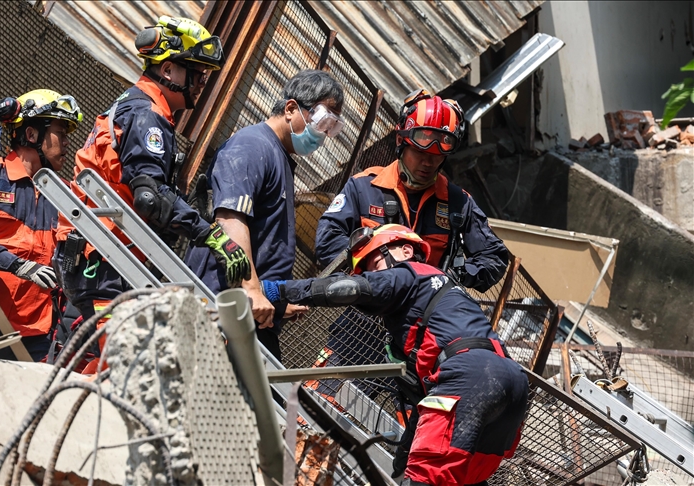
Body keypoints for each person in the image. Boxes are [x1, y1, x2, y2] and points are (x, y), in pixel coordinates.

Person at [53, 15, 250, 369]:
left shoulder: (138, 107)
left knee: (80, 364)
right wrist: (211, 235)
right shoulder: (147, 115)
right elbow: (149, 197)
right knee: (116, 371)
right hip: (106, 262)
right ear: (170, 70)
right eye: (197, 71)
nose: (203, 81)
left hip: (99, 256)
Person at [262, 225, 528, 486]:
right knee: (462, 479)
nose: (369, 274)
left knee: (427, 475)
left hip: (469, 375)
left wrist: (278, 291)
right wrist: (400, 469)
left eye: (372, 264)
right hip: (513, 382)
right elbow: (419, 420)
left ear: (405, 250)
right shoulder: (443, 301)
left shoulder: (409, 273)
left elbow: (347, 289)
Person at [308, 89, 510, 402]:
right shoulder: (365, 187)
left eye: (437, 155)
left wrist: (456, 274)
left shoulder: (458, 203)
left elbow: (495, 257)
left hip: (424, 335)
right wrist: (368, 264)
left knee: (404, 430)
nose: (428, 162)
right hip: (363, 324)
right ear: (402, 142)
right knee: (320, 402)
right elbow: (327, 241)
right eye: (421, 151)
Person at [184, 69, 344, 359]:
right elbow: (230, 220)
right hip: (220, 304)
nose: (323, 135)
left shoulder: (280, 157)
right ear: (291, 108)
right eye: (322, 121)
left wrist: (275, 299)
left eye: (331, 127)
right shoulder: (253, 146)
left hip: (251, 312)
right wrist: (252, 289)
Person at [0, 89, 82, 361]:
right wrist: (17, 264)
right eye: (61, 132)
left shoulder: (66, 197)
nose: (68, 143)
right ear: (32, 135)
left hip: (36, 337)